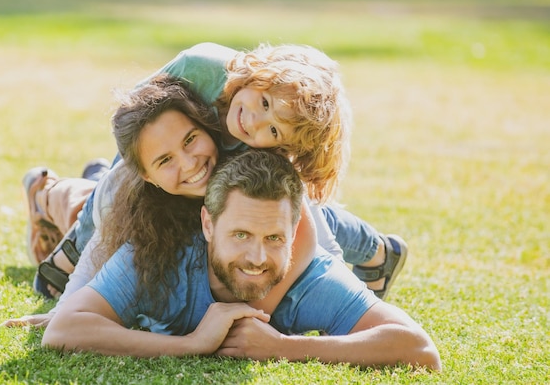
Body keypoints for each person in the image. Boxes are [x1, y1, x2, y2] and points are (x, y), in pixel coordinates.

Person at [24, 42, 407, 300]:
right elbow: (134, 122)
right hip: (167, 167)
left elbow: (312, 227)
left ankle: (378, 252)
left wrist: (339, 291)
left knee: (287, 214)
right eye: (263, 101)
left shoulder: (264, 152)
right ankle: (68, 232)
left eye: (273, 129)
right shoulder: (200, 67)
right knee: (119, 182)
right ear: (259, 76)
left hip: (212, 179)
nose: (254, 122)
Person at [41, 149, 440, 370]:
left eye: (274, 238)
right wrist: (192, 344)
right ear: (208, 224)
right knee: (77, 204)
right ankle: (44, 190)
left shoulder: (312, 280)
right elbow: (62, 331)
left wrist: (283, 346)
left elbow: (419, 348)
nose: (257, 257)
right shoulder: (158, 256)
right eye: (241, 235)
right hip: (108, 203)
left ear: (295, 230)